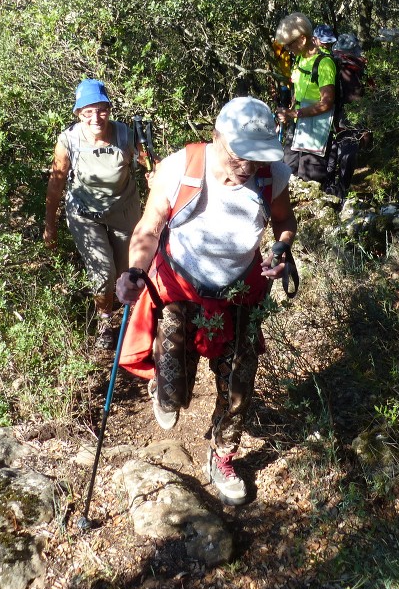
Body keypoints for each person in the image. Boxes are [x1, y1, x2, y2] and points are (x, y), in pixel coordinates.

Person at [115, 97, 297, 506]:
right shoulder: (179, 168)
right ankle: (164, 390)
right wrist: (135, 273)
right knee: (173, 377)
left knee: (238, 382)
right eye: (240, 154)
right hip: (180, 287)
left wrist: (281, 251)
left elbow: (285, 221)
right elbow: (149, 226)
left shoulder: (273, 176)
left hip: (238, 293)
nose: (248, 166)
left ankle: (223, 456)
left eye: (257, 155)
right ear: (217, 137)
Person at [44, 79, 143, 350]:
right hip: (85, 214)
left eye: (101, 110)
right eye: (88, 111)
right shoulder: (69, 141)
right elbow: (56, 183)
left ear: (109, 109)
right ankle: (105, 323)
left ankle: (133, 321)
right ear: (78, 114)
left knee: (129, 270)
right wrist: (49, 225)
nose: (95, 118)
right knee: (104, 273)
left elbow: (151, 166)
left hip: (124, 210)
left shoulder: (125, 135)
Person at [274, 14, 338, 186]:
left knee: (310, 181)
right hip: (296, 128)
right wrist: (287, 114)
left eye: (289, 44)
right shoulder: (301, 58)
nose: (288, 49)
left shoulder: (324, 64)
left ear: (302, 39)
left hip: (316, 132)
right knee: (285, 175)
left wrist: (294, 113)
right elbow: (298, 92)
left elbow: (326, 103)